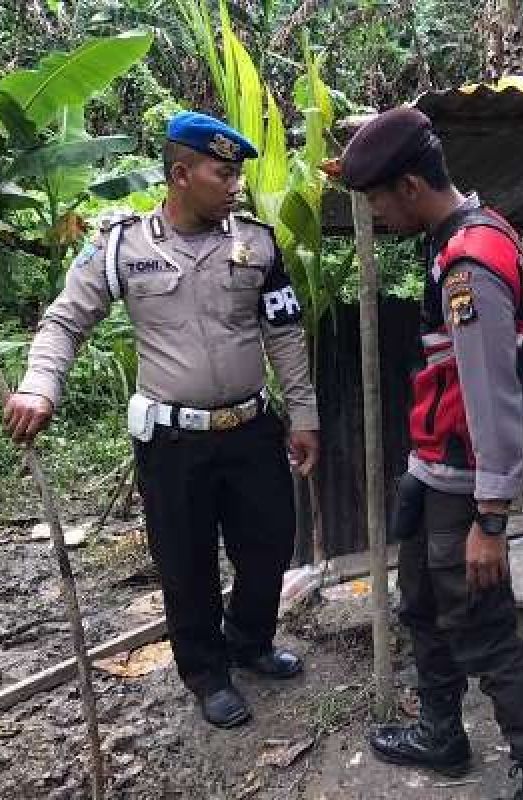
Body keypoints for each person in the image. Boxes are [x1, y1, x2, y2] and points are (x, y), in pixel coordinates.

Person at [2, 111, 320, 727]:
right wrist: (41, 388)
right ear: (181, 174)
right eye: (222, 173)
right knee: (186, 559)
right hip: (174, 442)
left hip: (252, 429)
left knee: (270, 543)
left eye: (237, 175)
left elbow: (283, 331)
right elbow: (67, 320)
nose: (236, 186)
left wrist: (302, 413)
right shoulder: (122, 246)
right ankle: (205, 673)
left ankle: (249, 642)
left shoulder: (256, 243)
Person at [337, 107, 523, 800]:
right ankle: (441, 734)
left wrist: (492, 518)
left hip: (467, 484)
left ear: (411, 185)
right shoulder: (462, 235)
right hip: (434, 467)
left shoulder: (470, 264)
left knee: (488, 637)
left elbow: (493, 395)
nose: (378, 214)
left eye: (380, 198)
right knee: (421, 605)